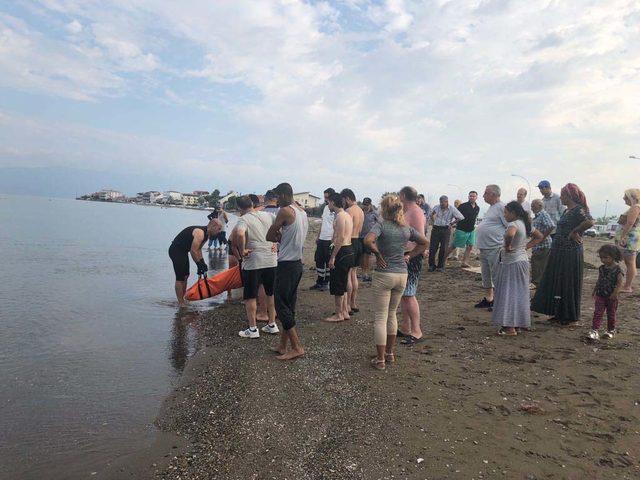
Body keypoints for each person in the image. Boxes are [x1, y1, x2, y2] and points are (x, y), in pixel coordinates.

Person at [364, 194, 429, 370]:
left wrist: (377, 254)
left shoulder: (382, 225)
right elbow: (425, 242)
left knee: (380, 317)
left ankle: (380, 360)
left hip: (384, 274)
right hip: (401, 274)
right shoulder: (406, 228)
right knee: (392, 314)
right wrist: (409, 255)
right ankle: (390, 354)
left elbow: (368, 240)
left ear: (384, 209)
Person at [531, 183, 595, 326]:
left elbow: (590, 221)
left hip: (570, 252)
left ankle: (569, 316)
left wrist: (575, 231)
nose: (560, 198)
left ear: (569, 196)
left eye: (563, 195)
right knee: (559, 282)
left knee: (567, 282)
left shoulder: (579, 210)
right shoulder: (567, 211)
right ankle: (559, 312)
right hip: (559, 251)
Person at [266, 182, 309, 361]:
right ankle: (283, 345)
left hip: (286, 264)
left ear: (284, 195)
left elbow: (269, 235)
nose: (276, 201)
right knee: (289, 305)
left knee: (280, 305)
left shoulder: (285, 211)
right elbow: (292, 234)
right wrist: (282, 235)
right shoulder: (302, 212)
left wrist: (277, 234)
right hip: (297, 263)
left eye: (277, 197)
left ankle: (297, 347)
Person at [492, 201, 543, 336]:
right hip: (522, 260)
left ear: (513, 213)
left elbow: (509, 235)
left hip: (512, 262)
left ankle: (509, 327)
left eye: (506, 212)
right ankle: (519, 323)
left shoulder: (513, 224)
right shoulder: (525, 224)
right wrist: (525, 247)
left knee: (508, 293)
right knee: (520, 293)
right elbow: (539, 236)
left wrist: (508, 246)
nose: (504, 215)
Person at [234, 196, 279, 339]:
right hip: (271, 260)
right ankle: (272, 324)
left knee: (250, 295)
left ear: (240, 208)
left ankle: (253, 329)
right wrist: (276, 244)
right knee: (270, 293)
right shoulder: (269, 215)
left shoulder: (244, 219)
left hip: (253, 261)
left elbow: (240, 233)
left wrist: (242, 251)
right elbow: (279, 231)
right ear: (253, 204)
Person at [397, 186, 427, 344]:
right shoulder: (409, 210)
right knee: (404, 294)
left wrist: (411, 254)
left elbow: (421, 239)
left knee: (409, 294)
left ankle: (417, 331)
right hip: (406, 256)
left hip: (412, 258)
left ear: (403, 195)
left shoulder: (415, 211)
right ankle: (405, 327)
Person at [168, 220, 222, 306]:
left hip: (183, 251)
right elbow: (193, 251)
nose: (219, 231)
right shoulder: (200, 233)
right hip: (176, 250)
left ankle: (183, 298)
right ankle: (181, 302)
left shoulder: (207, 235)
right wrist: (198, 264)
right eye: (219, 229)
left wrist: (202, 263)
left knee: (186, 275)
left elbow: (198, 249)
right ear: (212, 226)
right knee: (180, 277)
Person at [474, 185, 508, 310]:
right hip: (484, 247)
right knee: (486, 275)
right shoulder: (491, 208)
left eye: (486, 193)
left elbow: (509, 226)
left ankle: (500, 302)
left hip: (495, 247)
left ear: (493, 194)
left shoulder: (502, 207)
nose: (483, 196)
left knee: (497, 276)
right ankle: (489, 299)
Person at [323, 193, 354, 322]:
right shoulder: (346, 215)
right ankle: (344, 311)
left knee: (337, 283)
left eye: (328, 202)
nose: (327, 204)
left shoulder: (341, 216)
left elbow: (340, 237)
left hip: (342, 251)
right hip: (348, 250)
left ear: (333, 202)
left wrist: (333, 257)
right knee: (344, 281)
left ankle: (339, 314)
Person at [587, 244, 624, 340]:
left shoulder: (618, 269)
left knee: (611, 313)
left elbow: (620, 283)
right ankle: (594, 330)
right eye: (601, 257)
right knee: (598, 312)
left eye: (606, 257)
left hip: (612, 296)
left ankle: (611, 330)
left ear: (614, 257)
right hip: (600, 294)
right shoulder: (601, 268)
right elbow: (599, 280)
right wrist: (595, 290)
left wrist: (615, 293)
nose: (603, 260)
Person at [341, 188, 364, 314]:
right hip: (358, 241)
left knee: (348, 274)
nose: (343, 202)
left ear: (347, 198)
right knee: (354, 273)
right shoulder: (361, 210)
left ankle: (348, 305)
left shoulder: (349, 211)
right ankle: (353, 302)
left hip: (350, 242)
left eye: (343, 200)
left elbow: (345, 230)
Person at [428, 195, 464, 272]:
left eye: (443, 203)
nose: (441, 204)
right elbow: (431, 214)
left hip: (445, 229)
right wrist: (433, 220)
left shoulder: (452, 209)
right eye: (440, 202)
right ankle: (431, 265)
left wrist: (451, 223)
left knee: (443, 249)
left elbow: (460, 217)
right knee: (432, 248)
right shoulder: (436, 207)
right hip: (436, 228)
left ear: (447, 202)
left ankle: (440, 266)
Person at [311, 188, 336, 291]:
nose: (325, 199)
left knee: (328, 260)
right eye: (324, 197)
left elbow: (337, 226)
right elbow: (323, 222)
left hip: (330, 239)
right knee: (319, 259)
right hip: (322, 238)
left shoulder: (336, 210)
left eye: (327, 197)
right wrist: (318, 236)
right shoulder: (326, 208)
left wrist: (334, 239)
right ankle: (320, 280)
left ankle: (327, 282)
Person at [616, 188, 640, 293]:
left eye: (625, 196)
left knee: (630, 262)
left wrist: (623, 236)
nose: (623, 198)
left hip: (629, 239)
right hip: (629, 239)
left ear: (632, 197)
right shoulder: (634, 207)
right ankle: (626, 285)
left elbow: (630, 222)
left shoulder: (635, 207)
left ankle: (627, 286)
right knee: (629, 262)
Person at [529, 199, 555, 287]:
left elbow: (551, 226)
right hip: (538, 245)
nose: (531, 207)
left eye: (533, 205)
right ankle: (537, 284)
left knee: (539, 265)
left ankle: (537, 284)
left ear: (540, 206)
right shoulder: (537, 216)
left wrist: (542, 237)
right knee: (536, 264)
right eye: (531, 205)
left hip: (543, 245)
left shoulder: (543, 214)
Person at [451, 191, 480, 267]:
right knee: (454, 245)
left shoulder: (477, 208)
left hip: (471, 229)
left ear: (476, 197)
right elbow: (456, 216)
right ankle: (442, 261)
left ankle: (464, 262)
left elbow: (475, 218)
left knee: (470, 246)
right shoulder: (463, 206)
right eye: (470, 196)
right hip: (461, 229)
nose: (472, 197)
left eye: (473, 196)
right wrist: (453, 224)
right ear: (468, 197)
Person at [360, 197, 381, 282]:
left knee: (367, 255)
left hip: (369, 238)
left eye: (367, 205)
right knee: (361, 255)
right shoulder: (361, 212)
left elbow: (379, 223)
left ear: (370, 204)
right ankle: (363, 272)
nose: (366, 206)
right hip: (360, 236)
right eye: (364, 204)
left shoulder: (374, 213)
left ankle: (366, 273)